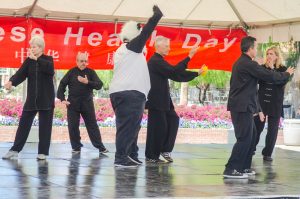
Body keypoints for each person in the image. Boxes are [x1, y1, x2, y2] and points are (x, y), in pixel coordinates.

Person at [224, 36, 294, 179]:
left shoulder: (245, 63)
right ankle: (231, 169)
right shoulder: (248, 64)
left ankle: (243, 167)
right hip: (241, 107)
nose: (257, 50)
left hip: (244, 106)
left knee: (252, 135)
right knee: (244, 138)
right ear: (250, 49)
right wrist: (287, 74)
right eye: (256, 47)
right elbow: (269, 76)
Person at [109, 5, 163, 167]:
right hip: (129, 94)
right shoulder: (130, 48)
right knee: (128, 127)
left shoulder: (125, 50)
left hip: (127, 93)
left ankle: (131, 154)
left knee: (132, 126)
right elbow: (146, 33)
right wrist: (156, 17)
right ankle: (120, 157)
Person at [145, 36, 203, 163]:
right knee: (157, 128)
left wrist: (195, 73)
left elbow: (176, 74)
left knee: (173, 120)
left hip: (164, 99)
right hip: (156, 100)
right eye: (167, 46)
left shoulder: (159, 61)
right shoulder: (155, 61)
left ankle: (164, 150)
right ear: (158, 46)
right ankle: (151, 155)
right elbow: (174, 71)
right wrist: (189, 56)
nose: (169, 48)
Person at [2, 35, 55, 160]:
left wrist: (37, 59)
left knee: (45, 127)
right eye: (31, 47)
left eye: (34, 47)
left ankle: (42, 153)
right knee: (24, 124)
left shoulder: (48, 59)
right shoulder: (29, 61)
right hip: (32, 99)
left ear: (41, 48)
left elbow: (50, 70)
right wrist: (11, 82)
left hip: (46, 98)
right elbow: (20, 74)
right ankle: (15, 150)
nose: (32, 49)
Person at [57, 52, 108, 155]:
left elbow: (99, 85)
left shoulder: (91, 72)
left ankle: (100, 147)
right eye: (81, 61)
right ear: (77, 61)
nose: (84, 63)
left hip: (87, 104)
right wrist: (62, 99)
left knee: (92, 126)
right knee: (73, 126)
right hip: (72, 104)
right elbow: (61, 85)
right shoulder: (71, 72)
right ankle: (76, 147)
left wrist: (87, 82)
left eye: (85, 61)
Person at [254, 46, 289, 161]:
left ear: (277, 56)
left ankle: (267, 153)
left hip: (275, 103)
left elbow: (280, 81)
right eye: (268, 53)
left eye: (271, 54)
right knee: (257, 127)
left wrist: (272, 69)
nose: (269, 56)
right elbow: (257, 81)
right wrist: (267, 69)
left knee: (273, 130)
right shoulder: (261, 68)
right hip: (262, 103)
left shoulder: (284, 70)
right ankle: (251, 149)